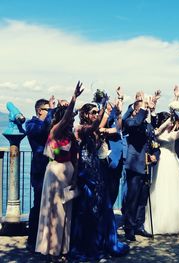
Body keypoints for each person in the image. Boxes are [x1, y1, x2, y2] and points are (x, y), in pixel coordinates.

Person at [70, 99, 129, 261]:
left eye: (97, 112)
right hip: (85, 172)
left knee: (101, 208)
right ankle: (88, 246)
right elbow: (94, 128)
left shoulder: (94, 131)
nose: (96, 115)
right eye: (93, 112)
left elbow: (116, 128)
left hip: (96, 170)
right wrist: (104, 109)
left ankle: (102, 243)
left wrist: (111, 111)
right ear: (85, 114)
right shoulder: (80, 128)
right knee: (87, 210)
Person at [35, 81, 83, 260]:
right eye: (70, 119)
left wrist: (75, 178)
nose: (71, 122)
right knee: (54, 212)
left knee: (66, 214)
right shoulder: (54, 132)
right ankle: (52, 250)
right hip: (54, 175)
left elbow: (74, 158)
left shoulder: (70, 135)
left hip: (67, 174)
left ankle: (63, 249)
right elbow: (64, 119)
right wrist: (73, 99)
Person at [144, 105, 179, 235]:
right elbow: (157, 133)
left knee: (173, 190)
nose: (171, 122)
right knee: (160, 189)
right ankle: (159, 222)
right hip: (162, 163)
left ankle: (173, 221)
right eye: (168, 120)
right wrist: (169, 119)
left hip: (173, 163)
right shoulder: (158, 133)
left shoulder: (173, 134)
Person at [123, 97, 160, 241]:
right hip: (135, 166)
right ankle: (129, 228)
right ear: (136, 111)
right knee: (132, 199)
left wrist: (155, 156)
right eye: (141, 109)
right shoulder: (131, 122)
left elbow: (154, 145)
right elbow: (136, 122)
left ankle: (139, 226)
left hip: (146, 167)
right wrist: (146, 108)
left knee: (142, 200)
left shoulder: (148, 126)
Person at [25, 96, 55, 252]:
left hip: (51, 168)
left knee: (49, 205)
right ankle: (32, 239)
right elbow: (43, 130)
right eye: (47, 110)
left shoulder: (47, 123)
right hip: (39, 169)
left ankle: (46, 238)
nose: (49, 113)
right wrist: (52, 112)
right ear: (39, 110)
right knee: (38, 204)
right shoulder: (31, 124)